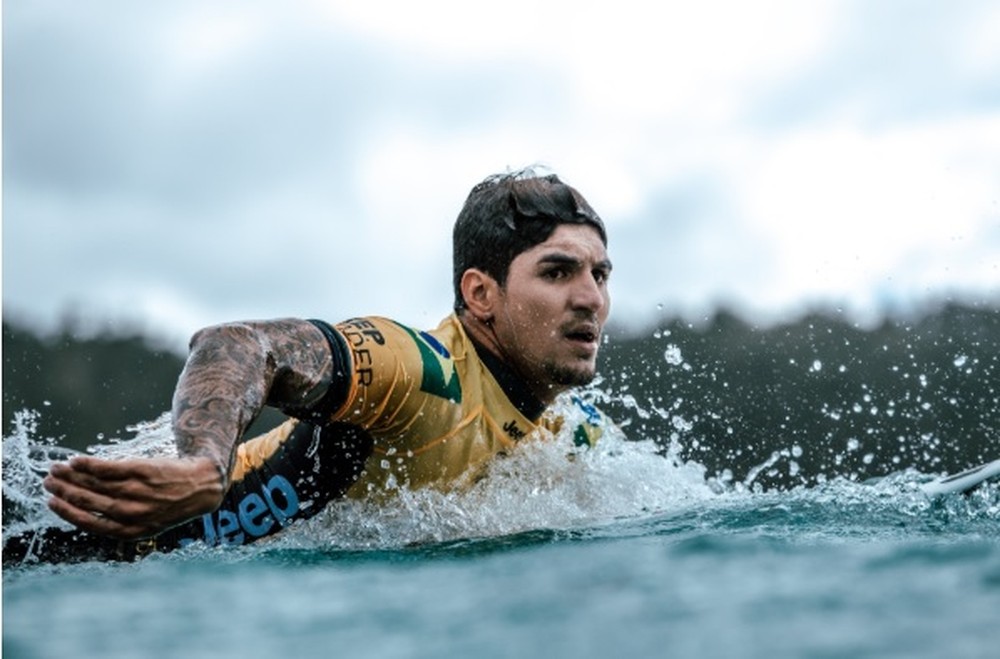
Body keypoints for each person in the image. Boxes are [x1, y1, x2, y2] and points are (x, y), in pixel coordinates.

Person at [4, 168, 615, 564]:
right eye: (558, 271)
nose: (590, 297)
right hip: (61, 543)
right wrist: (202, 468)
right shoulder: (418, 368)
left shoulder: (572, 433)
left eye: (600, 274)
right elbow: (239, 343)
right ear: (480, 294)